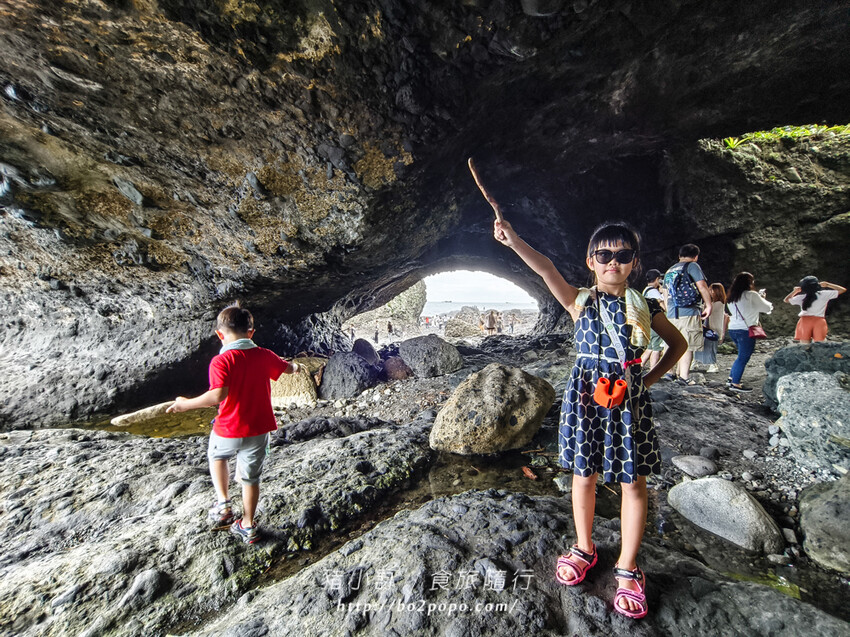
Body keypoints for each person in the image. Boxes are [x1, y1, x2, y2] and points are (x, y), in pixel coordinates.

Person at [489, 209, 685, 618]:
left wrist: (644, 382)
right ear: (590, 261)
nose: (613, 261)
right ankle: (584, 547)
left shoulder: (646, 305)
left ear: (635, 262)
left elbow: (678, 347)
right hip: (586, 396)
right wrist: (513, 240)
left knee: (633, 483)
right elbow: (544, 269)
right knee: (583, 475)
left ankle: (629, 568)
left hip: (627, 399)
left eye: (623, 254)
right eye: (604, 254)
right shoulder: (578, 300)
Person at [166, 303, 300, 543]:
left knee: (217, 457)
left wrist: (184, 404)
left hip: (228, 428)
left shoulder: (221, 361)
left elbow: (217, 395)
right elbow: (287, 368)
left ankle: (224, 505)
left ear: (220, 334)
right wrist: (297, 367)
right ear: (251, 333)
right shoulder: (264, 354)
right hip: (259, 429)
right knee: (250, 478)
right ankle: (248, 525)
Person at [663, 244, 713, 385]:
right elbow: (702, 286)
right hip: (689, 311)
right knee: (686, 344)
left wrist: (669, 310)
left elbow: (665, 294)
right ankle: (684, 377)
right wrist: (708, 305)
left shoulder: (670, 270)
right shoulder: (692, 266)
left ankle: (669, 373)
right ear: (696, 256)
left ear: (679, 255)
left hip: (672, 314)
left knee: (671, 344)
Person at [726, 273, 772, 392]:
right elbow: (767, 308)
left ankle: (731, 378)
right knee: (743, 357)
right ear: (749, 283)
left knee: (740, 356)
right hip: (745, 330)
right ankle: (735, 384)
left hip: (733, 328)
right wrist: (762, 298)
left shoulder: (731, 296)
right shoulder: (751, 295)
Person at [783, 276, 846, 343]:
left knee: (804, 345)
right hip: (819, 320)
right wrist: (827, 284)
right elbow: (842, 290)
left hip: (805, 321)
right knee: (820, 343)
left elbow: (786, 300)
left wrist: (795, 291)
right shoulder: (824, 294)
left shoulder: (801, 297)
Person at [693, 283, 729, 373]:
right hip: (708, 327)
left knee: (710, 347)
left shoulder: (718, 304)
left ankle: (713, 365)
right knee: (701, 346)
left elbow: (706, 312)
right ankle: (695, 362)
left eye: (711, 290)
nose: (709, 292)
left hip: (713, 329)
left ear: (717, 292)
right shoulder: (715, 303)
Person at [641, 269, 665, 370]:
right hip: (655, 323)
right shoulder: (654, 292)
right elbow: (664, 306)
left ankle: (639, 366)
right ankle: (653, 369)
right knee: (657, 348)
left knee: (650, 347)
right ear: (657, 279)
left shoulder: (646, 290)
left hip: (648, 322)